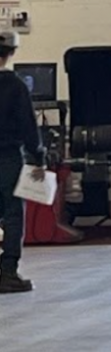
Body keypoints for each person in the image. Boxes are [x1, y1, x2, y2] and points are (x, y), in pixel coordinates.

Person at [0, 31, 43, 294]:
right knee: (13, 214)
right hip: (8, 158)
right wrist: (38, 158)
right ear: (11, 53)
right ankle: (8, 272)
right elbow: (28, 127)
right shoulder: (16, 86)